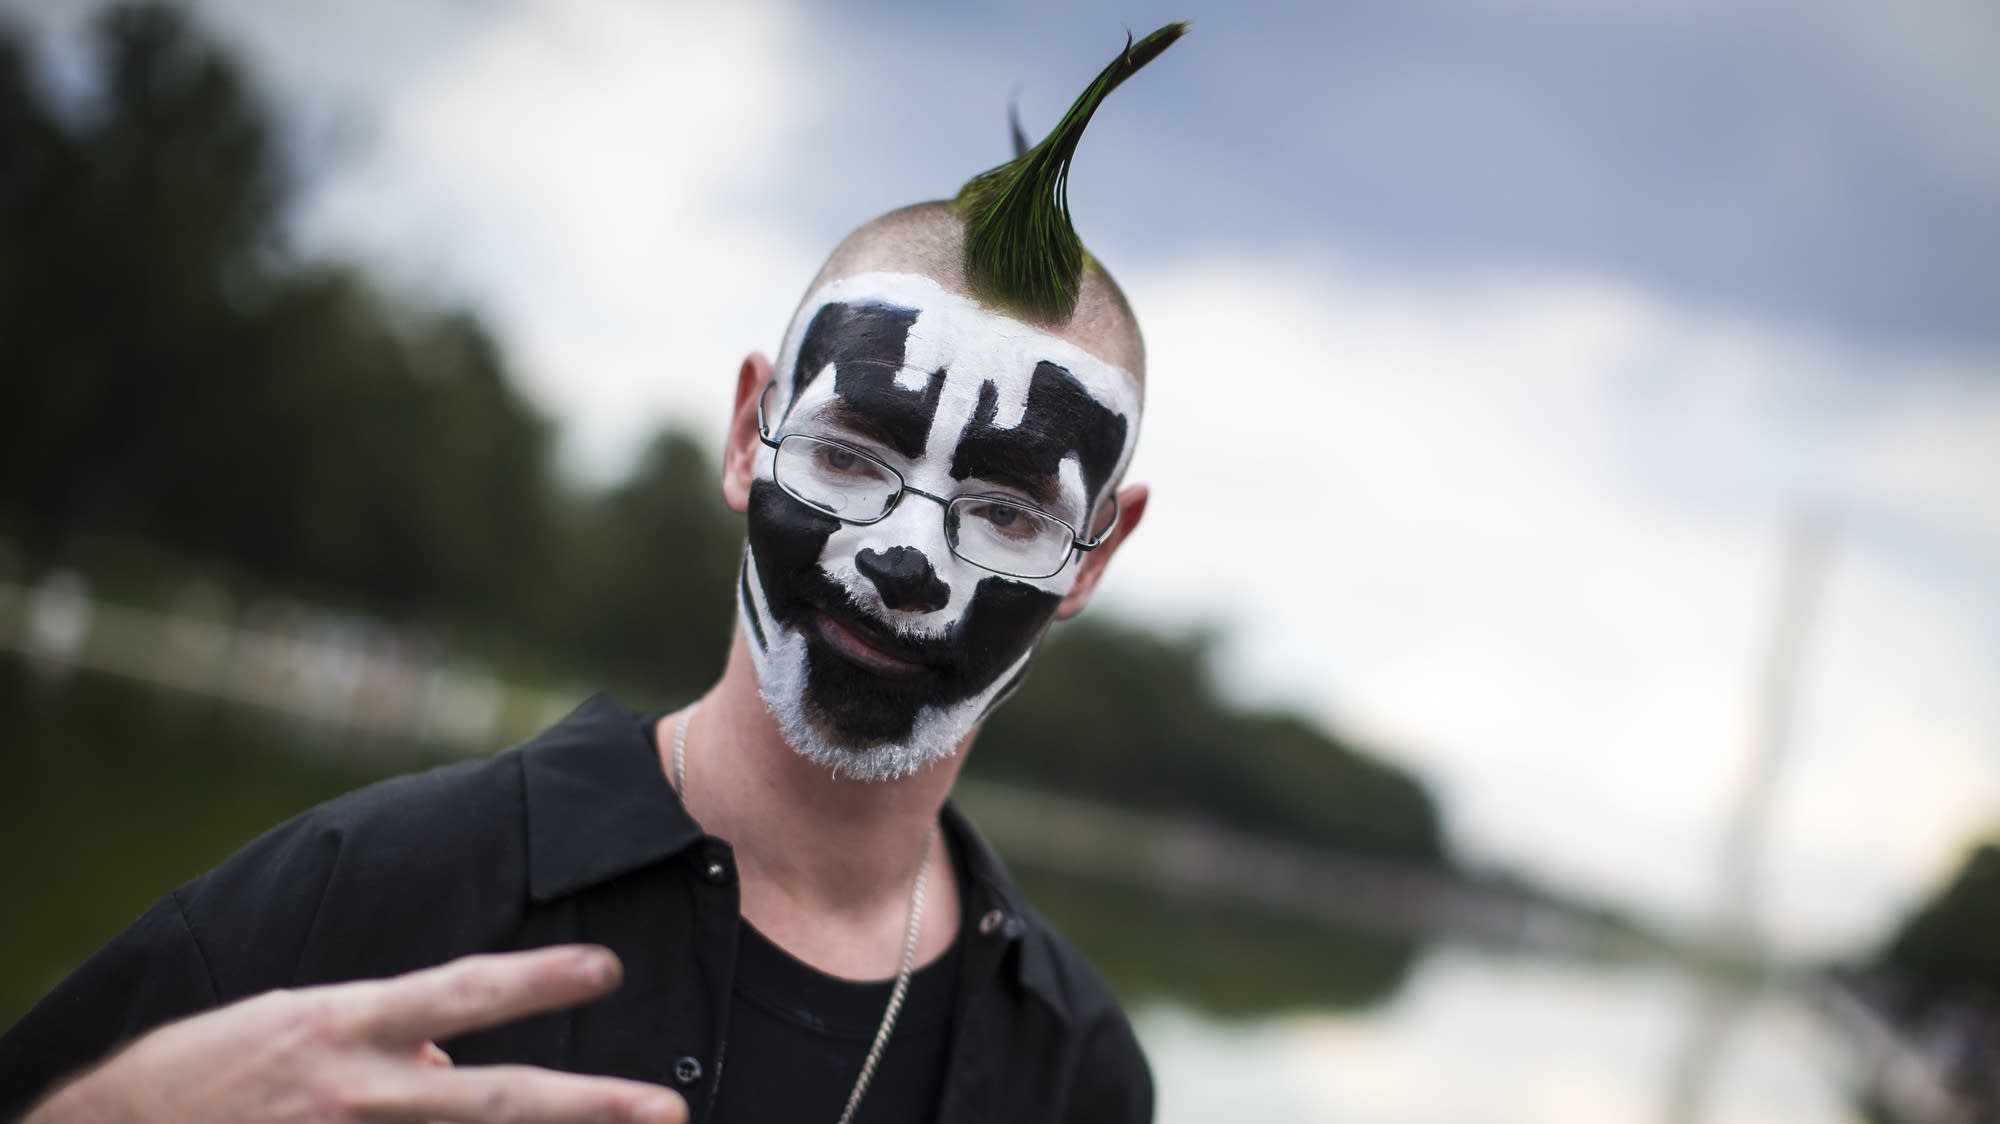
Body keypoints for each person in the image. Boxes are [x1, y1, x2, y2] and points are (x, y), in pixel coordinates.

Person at [1, 24, 1186, 1124]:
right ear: (745, 433)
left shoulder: (1073, 1070)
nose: (902, 559)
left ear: (1096, 552)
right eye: (846, 453)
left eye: (1003, 512)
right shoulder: (378, 891)